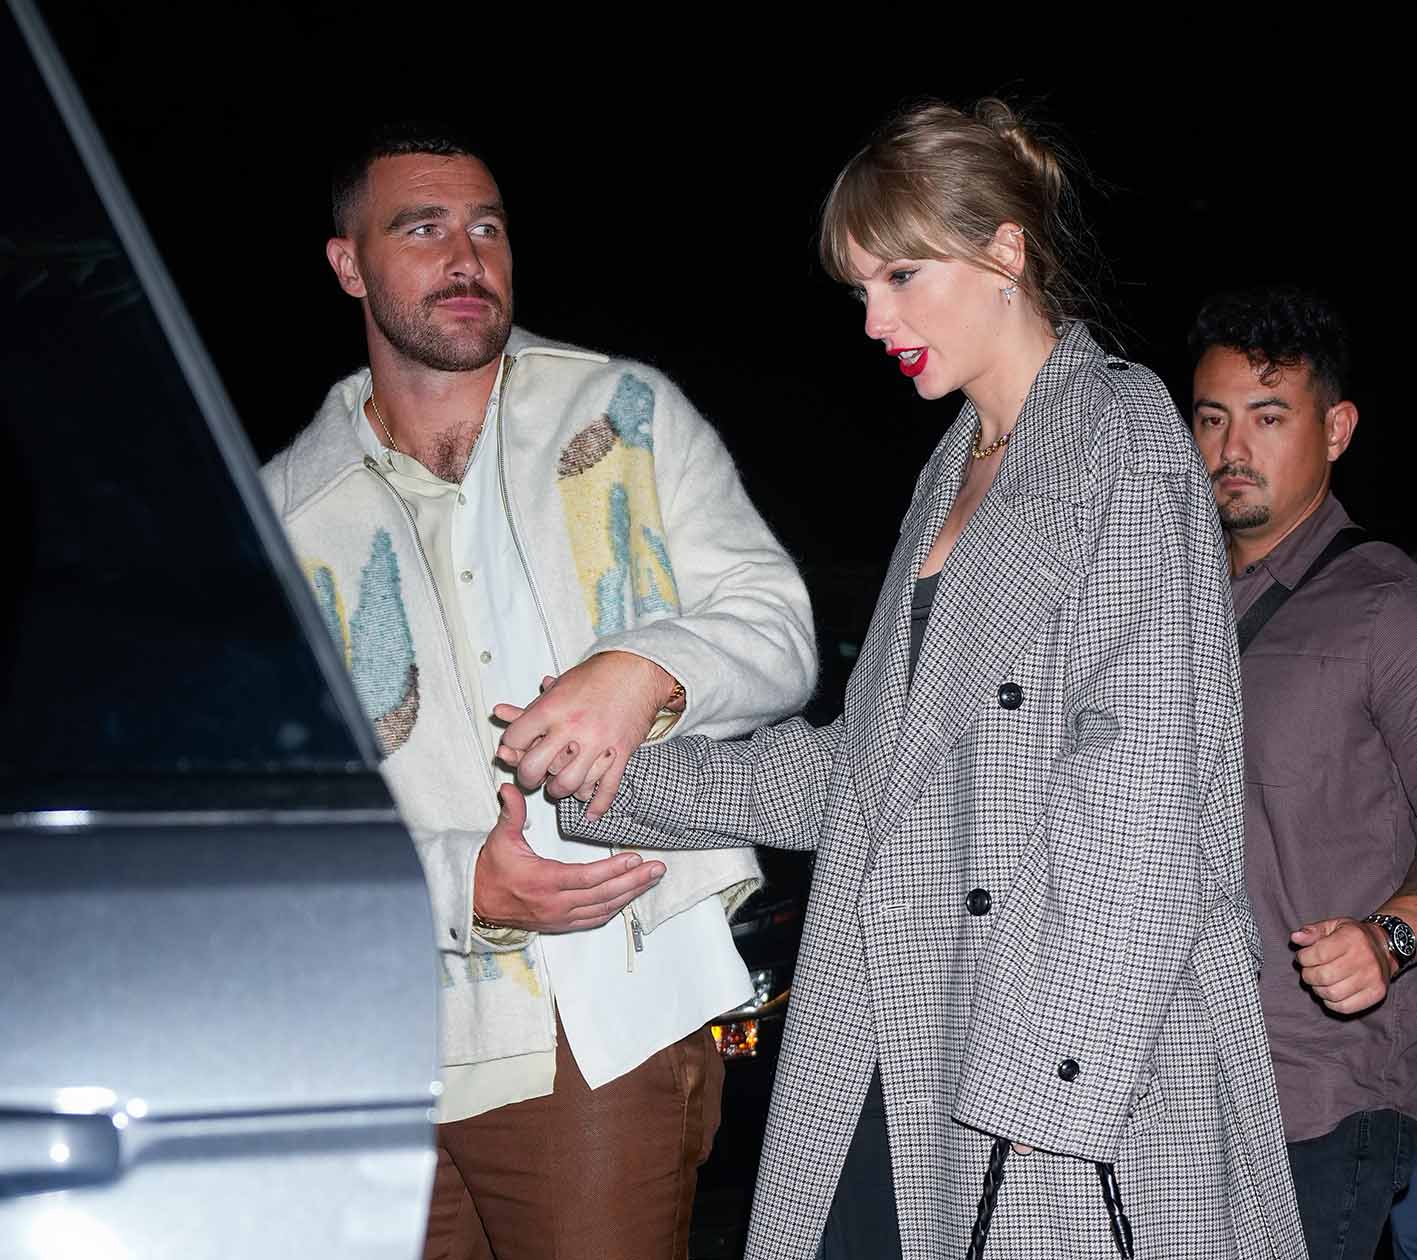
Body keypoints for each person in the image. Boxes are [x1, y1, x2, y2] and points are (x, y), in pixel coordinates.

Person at [502, 99, 1306, 1258]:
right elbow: (864, 774)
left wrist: (1049, 1085)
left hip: (1059, 1065)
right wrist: (609, 778)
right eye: (860, 290)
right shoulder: (952, 473)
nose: (875, 319)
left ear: (1005, 253)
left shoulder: (1119, 436)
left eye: (900, 276)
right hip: (903, 1028)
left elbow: (1141, 792)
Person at [260, 123, 817, 1260]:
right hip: (369, 1034)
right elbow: (267, 816)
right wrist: (458, 885)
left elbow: (781, 631)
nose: (466, 256)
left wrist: (647, 671)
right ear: (348, 265)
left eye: (487, 227)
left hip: (601, 1009)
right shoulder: (279, 516)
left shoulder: (623, 413)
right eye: (422, 229)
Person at [1189, 287, 1417, 1260]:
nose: (1232, 448)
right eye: (1211, 419)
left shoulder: (1385, 604)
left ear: (1336, 429)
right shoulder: (1162, 605)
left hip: (1316, 1100)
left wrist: (1390, 937)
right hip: (1162, 1089)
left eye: (1268, 417)